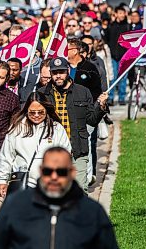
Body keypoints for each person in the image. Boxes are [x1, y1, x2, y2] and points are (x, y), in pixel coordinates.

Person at [0, 147, 119, 249]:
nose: (54, 177)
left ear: (72, 172)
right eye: (48, 171)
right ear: (41, 171)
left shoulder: (92, 212)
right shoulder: (15, 205)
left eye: (61, 172)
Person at [39, 57, 108, 192]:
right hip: (52, 150)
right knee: (54, 191)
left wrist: (101, 107)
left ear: (68, 71)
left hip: (77, 149)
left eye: (62, 71)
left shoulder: (82, 92)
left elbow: (92, 120)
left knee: (80, 190)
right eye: (55, 72)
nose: (58, 76)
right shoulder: (42, 94)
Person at [0, 92, 71, 197]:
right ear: (27, 111)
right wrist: (2, 179)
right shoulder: (16, 128)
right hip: (23, 184)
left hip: (50, 184)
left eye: (40, 112)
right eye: (32, 112)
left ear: (46, 110)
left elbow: (65, 155)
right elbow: (7, 155)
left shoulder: (56, 128)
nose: (36, 116)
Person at [103, 6, 130, 105]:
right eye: (120, 13)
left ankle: (122, 97)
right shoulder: (111, 26)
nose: (121, 15)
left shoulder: (127, 26)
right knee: (112, 76)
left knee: (123, 77)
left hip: (124, 55)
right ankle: (110, 97)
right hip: (113, 56)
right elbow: (106, 38)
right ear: (116, 14)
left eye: (123, 13)